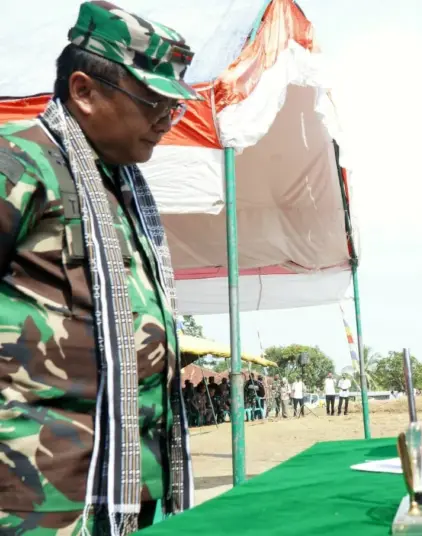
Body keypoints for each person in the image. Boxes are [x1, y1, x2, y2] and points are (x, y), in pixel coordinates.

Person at [0, 2, 202, 533]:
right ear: (84, 91)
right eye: (153, 100)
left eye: (173, 105)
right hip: (35, 494)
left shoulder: (121, 188)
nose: (167, 118)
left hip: (131, 484)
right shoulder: (18, 166)